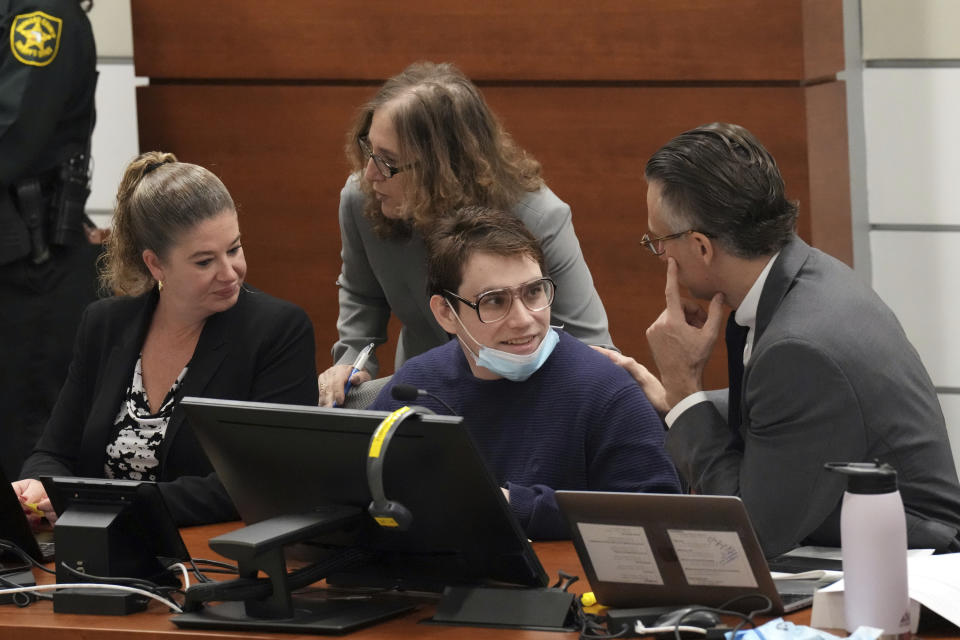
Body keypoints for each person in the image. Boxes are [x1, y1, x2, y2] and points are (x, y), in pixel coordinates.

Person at [601, 122, 960, 556]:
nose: (660, 255)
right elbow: (786, 414)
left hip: (908, 564)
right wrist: (680, 404)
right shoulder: (808, 273)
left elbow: (747, 534)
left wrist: (684, 390)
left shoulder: (801, 347)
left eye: (658, 241)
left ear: (700, 246)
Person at [13, 152, 319, 527]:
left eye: (234, 249)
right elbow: (52, 452)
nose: (230, 273)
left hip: (205, 554)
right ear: (156, 264)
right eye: (205, 262)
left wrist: (95, 502)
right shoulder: (105, 324)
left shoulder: (277, 331)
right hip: (95, 548)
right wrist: (37, 486)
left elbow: (256, 484)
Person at [369, 206, 680, 540]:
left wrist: (514, 505)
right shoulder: (414, 388)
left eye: (533, 292)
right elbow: (361, 497)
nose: (523, 319)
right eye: (494, 301)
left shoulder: (605, 389)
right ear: (446, 313)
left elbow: (659, 517)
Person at [319, 61, 613, 406]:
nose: (369, 173)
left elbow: (596, 350)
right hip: (426, 392)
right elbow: (361, 293)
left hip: (530, 396)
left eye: (387, 160)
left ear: (441, 167)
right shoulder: (362, 200)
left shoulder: (539, 216)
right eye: (369, 150)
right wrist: (351, 360)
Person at [0, 0, 104, 480]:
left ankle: (34, 550)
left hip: (30, 262)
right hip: (18, 257)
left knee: (27, 444)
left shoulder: (42, 14)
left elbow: (15, 135)